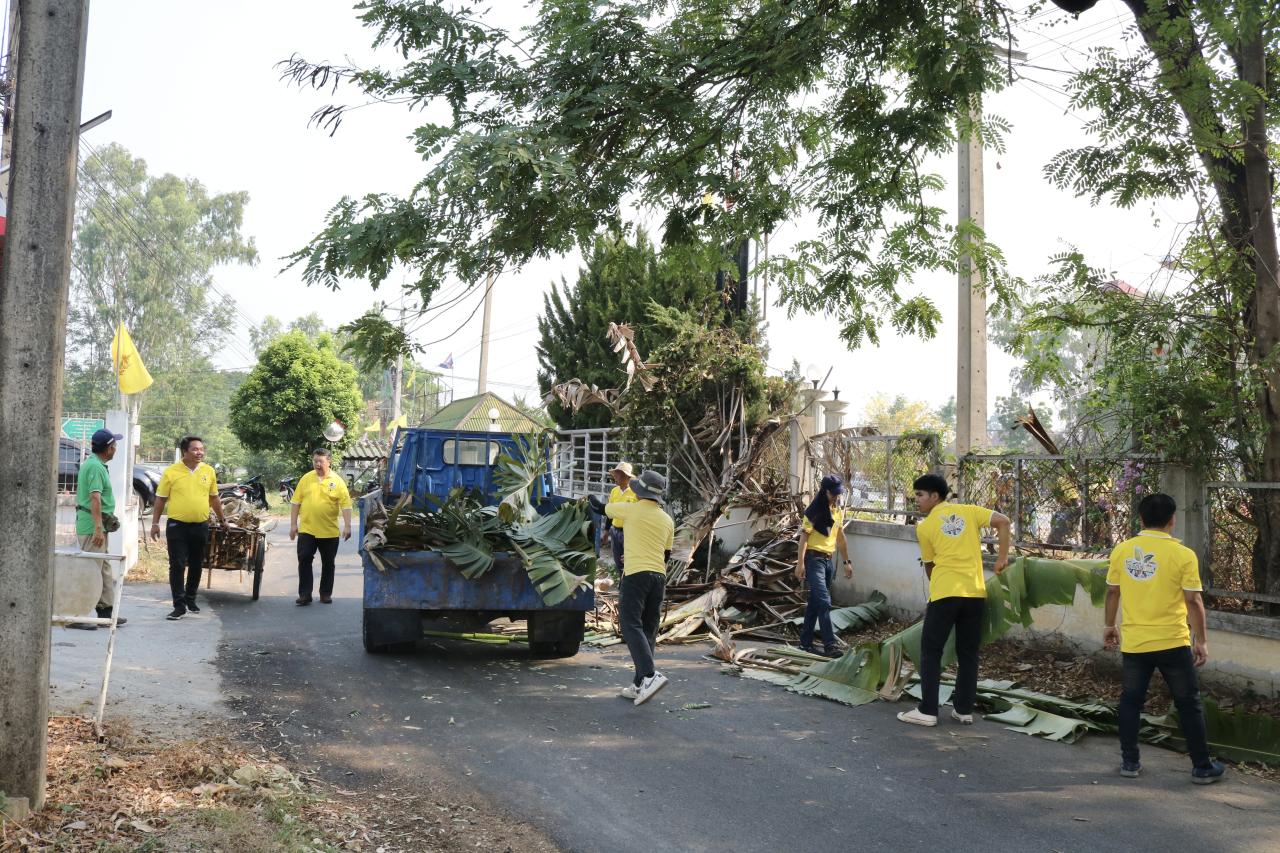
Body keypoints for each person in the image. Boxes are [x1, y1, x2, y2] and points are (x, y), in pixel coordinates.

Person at [1104, 492, 1225, 784]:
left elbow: (1112, 591)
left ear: (1141, 519)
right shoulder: (1183, 555)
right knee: (1188, 703)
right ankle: (1201, 767)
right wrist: (1201, 641)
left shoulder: (1123, 550)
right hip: (1173, 642)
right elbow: (1193, 602)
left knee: (1131, 701)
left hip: (1135, 642)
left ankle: (1130, 763)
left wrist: (1109, 625)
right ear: (1172, 520)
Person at [898, 473, 1010, 728]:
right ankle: (963, 710)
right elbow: (1003, 521)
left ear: (934, 496)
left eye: (919, 495)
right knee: (968, 652)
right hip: (974, 593)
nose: (916, 500)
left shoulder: (925, 527)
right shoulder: (968, 511)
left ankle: (927, 710)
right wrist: (1003, 557)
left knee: (931, 650)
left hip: (945, 593)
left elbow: (929, 565)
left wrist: (938, 581)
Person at [591, 470, 675, 706]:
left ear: (639, 492)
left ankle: (649, 675)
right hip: (659, 577)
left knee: (629, 624)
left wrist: (587, 498)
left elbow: (600, 507)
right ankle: (640, 684)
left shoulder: (630, 509)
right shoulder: (668, 520)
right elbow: (666, 554)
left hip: (636, 574)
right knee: (648, 628)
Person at [151, 436, 227, 621]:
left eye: (201, 449)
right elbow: (160, 499)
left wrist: (222, 519)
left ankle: (190, 598)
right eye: (195, 449)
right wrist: (154, 523)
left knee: (196, 563)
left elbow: (214, 497)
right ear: (185, 451)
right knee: (176, 565)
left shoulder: (208, 471)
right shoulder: (171, 472)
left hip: (201, 525)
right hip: (177, 526)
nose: (199, 452)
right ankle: (179, 605)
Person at [69, 428, 128, 630]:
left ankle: (105, 613)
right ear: (109, 448)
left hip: (97, 524)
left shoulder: (97, 465)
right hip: (92, 525)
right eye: (115, 446)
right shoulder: (95, 467)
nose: (116, 449)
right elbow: (95, 498)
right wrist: (97, 528)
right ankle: (76, 615)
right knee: (90, 571)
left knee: (102, 569)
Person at [793, 474, 852, 657]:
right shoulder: (813, 511)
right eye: (833, 493)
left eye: (838, 493)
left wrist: (846, 562)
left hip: (828, 562)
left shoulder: (837, 511)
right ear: (825, 491)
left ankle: (805, 643)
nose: (836, 496)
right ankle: (830, 645)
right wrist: (800, 564)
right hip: (814, 560)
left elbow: (840, 538)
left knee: (815, 603)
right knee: (825, 602)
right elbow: (804, 538)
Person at [290, 448, 353, 605]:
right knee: (304, 559)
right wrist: (293, 525)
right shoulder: (306, 478)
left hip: (329, 531)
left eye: (321, 461)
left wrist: (347, 526)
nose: (317, 464)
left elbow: (346, 505)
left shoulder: (337, 481)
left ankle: (325, 594)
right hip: (307, 529)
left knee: (328, 563)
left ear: (329, 461)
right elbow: (295, 502)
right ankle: (305, 595)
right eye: (315, 461)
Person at [601, 461, 636, 576]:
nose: (615, 477)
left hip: (629, 532)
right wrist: (606, 531)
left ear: (627, 477)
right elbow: (610, 513)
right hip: (615, 531)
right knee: (618, 562)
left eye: (618, 475)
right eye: (615, 475)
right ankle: (622, 585)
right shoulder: (614, 491)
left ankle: (627, 586)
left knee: (628, 561)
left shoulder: (635, 493)